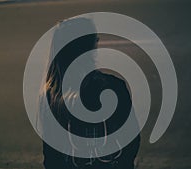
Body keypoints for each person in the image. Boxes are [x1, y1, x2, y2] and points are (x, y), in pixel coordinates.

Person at [41, 17, 140, 169]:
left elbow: (51, 158)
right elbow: (131, 139)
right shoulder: (114, 86)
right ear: (91, 46)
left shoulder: (50, 95)